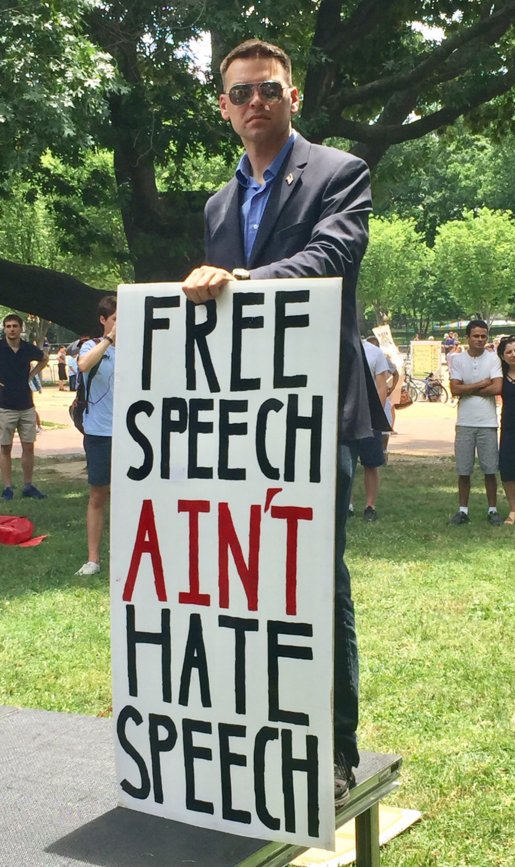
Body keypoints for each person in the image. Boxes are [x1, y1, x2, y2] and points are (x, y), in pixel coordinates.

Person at [182, 39, 386, 806]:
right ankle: (258, 734)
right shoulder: (217, 205)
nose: (255, 102)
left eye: (268, 88)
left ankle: (332, 751)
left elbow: (331, 257)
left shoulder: (339, 173)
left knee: (317, 581)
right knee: (246, 585)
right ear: (223, 108)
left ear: (292, 97)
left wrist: (242, 279)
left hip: (318, 416)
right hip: (242, 425)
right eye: (240, 93)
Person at [74, 296, 116, 576]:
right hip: (99, 432)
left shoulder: (139, 346)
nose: (120, 324)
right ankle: (93, 559)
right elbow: (83, 365)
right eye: (115, 319)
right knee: (98, 494)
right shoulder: (92, 346)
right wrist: (110, 339)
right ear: (103, 320)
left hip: (132, 434)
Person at [448, 319, 503, 525]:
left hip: (488, 422)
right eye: (476, 336)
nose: (480, 339)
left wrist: (467, 388)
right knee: (464, 470)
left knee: (490, 469)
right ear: (468, 337)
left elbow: (497, 388)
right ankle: (463, 510)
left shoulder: (493, 359)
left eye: (483, 336)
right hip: (465, 422)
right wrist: (482, 383)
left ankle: (492, 510)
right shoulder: (458, 360)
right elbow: (454, 389)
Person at [0, 313, 49, 500]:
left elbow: (44, 358)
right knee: (5, 448)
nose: (12, 329)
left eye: (15, 326)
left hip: (27, 405)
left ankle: (28, 486)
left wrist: (32, 375)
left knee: (28, 447)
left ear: (21, 328)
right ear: (4, 329)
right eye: (8, 326)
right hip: (5, 406)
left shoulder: (28, 348)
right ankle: (7, 487)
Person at [348, 338, 389, 521]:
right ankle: (346, 504)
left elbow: (382, 387)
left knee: (371, 464)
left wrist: (375, 415)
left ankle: (370, 506)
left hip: (369, 418)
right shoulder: (340, 347)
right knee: (345, 463)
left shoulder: (375, 352)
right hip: (347, 417)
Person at [496, 336, 515, 524]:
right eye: (509, 352)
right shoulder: (500, 377)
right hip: (509, 428)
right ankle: (513, 510)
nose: (513, 354)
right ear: (502, 356)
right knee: (507, 469)